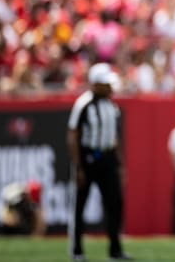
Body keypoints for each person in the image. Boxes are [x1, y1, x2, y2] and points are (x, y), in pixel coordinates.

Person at [67, 62, 132, 261]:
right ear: (95, 84)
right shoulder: (83, 104)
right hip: (88, 158)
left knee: (115, 203)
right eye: (106, 84)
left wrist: (119, 163)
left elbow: (115, 137)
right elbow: (73, 135)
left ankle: (115, 249)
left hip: (108, 158)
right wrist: (78, 166)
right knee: (80, 205)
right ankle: (77, 250)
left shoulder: (112, 106)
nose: (111, 88)